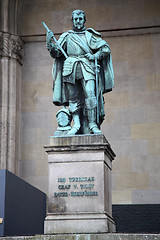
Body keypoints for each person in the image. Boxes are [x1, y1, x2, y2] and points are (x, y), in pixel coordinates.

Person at [46, 9, 114, 135]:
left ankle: (92, 124)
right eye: (75, 19)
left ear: (84, 20)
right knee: (73, 97)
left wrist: (95, 56)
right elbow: (56, 52)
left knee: (90, 93)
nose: (78, 21)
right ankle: (76, 124)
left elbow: (105, 49)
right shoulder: (66, 36)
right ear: (72, 20)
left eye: (80, 19)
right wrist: (49, 42)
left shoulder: (90, 35)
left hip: (87, 66)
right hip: (70, 66)